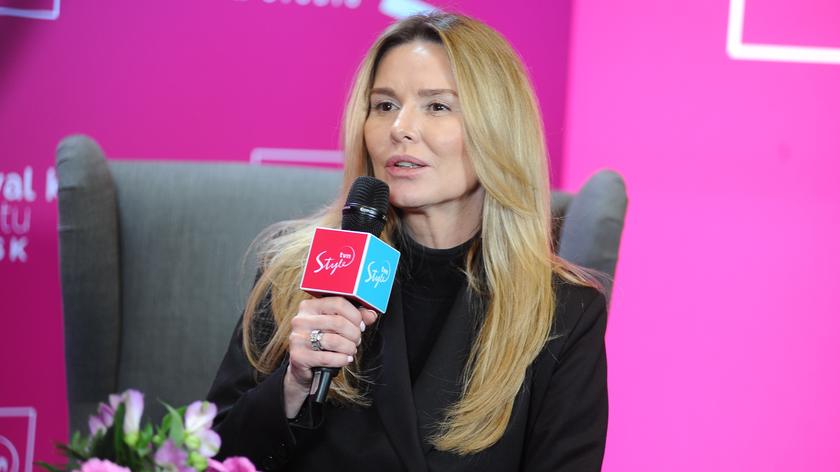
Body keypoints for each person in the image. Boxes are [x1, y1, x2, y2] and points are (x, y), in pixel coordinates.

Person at [207, 12, 608, 472]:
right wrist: (292, 386)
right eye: (384, 105)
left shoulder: (562, 311)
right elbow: (209, 456)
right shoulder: (295, 272)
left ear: (498, 129)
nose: (400, 127)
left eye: (437, 106)